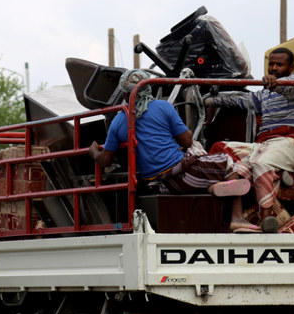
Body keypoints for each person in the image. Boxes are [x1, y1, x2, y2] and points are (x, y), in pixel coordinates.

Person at [89, 69, 257, 232]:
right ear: (149, 88)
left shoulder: (118, 120)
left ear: (125, 94)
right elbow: (187, 140)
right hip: (183, 173)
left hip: (159, 185)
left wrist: (94, 151)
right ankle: (236, 218)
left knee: (205, 170)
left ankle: (212, 187)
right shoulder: (163, 107)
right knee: (227, 162)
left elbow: (105, 160)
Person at [205, 47, 294, 232]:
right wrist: (210, 99)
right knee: (224, 150)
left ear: (291, 67)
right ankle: (237, 216)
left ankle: (266, 220)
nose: (274, 68)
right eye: (271, 64)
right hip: (263, 145)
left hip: (289, 141)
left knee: (261, 163)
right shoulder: (265, 94)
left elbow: (289, 86)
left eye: (279, 64)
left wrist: (275, 83)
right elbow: (242, 100)